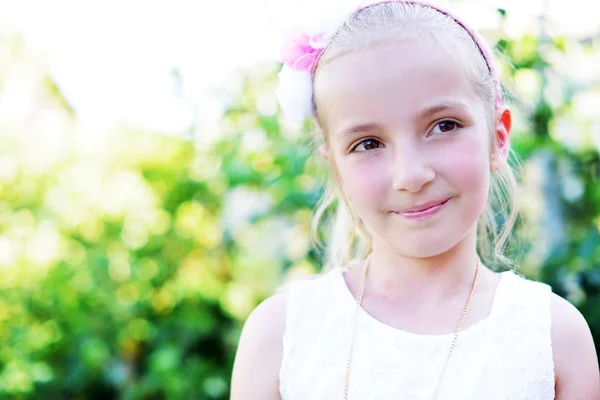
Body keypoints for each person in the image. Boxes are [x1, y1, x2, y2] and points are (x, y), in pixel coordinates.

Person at [230, 1, 600, 399]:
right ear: (337, 168)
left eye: (444, 126)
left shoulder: (553, 338)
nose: (410, 175)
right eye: (368, 143)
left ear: (498, 137)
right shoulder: (279, 337)